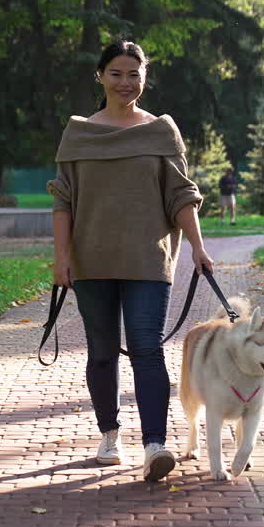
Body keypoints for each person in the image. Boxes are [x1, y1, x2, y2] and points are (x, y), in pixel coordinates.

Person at [47, 40, 212, 483]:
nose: (126, 82)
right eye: (117, 73)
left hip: (147, 258)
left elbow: (181, 195)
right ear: (100, 76)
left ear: (145, 79)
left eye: (134, 74)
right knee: (102, 352)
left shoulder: (160, 131)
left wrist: (197, 246)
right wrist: (61, 259)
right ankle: (109, 434)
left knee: (146, 347)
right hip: (91, 260)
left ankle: (155, 445)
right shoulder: (79, 133)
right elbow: (63, 201)